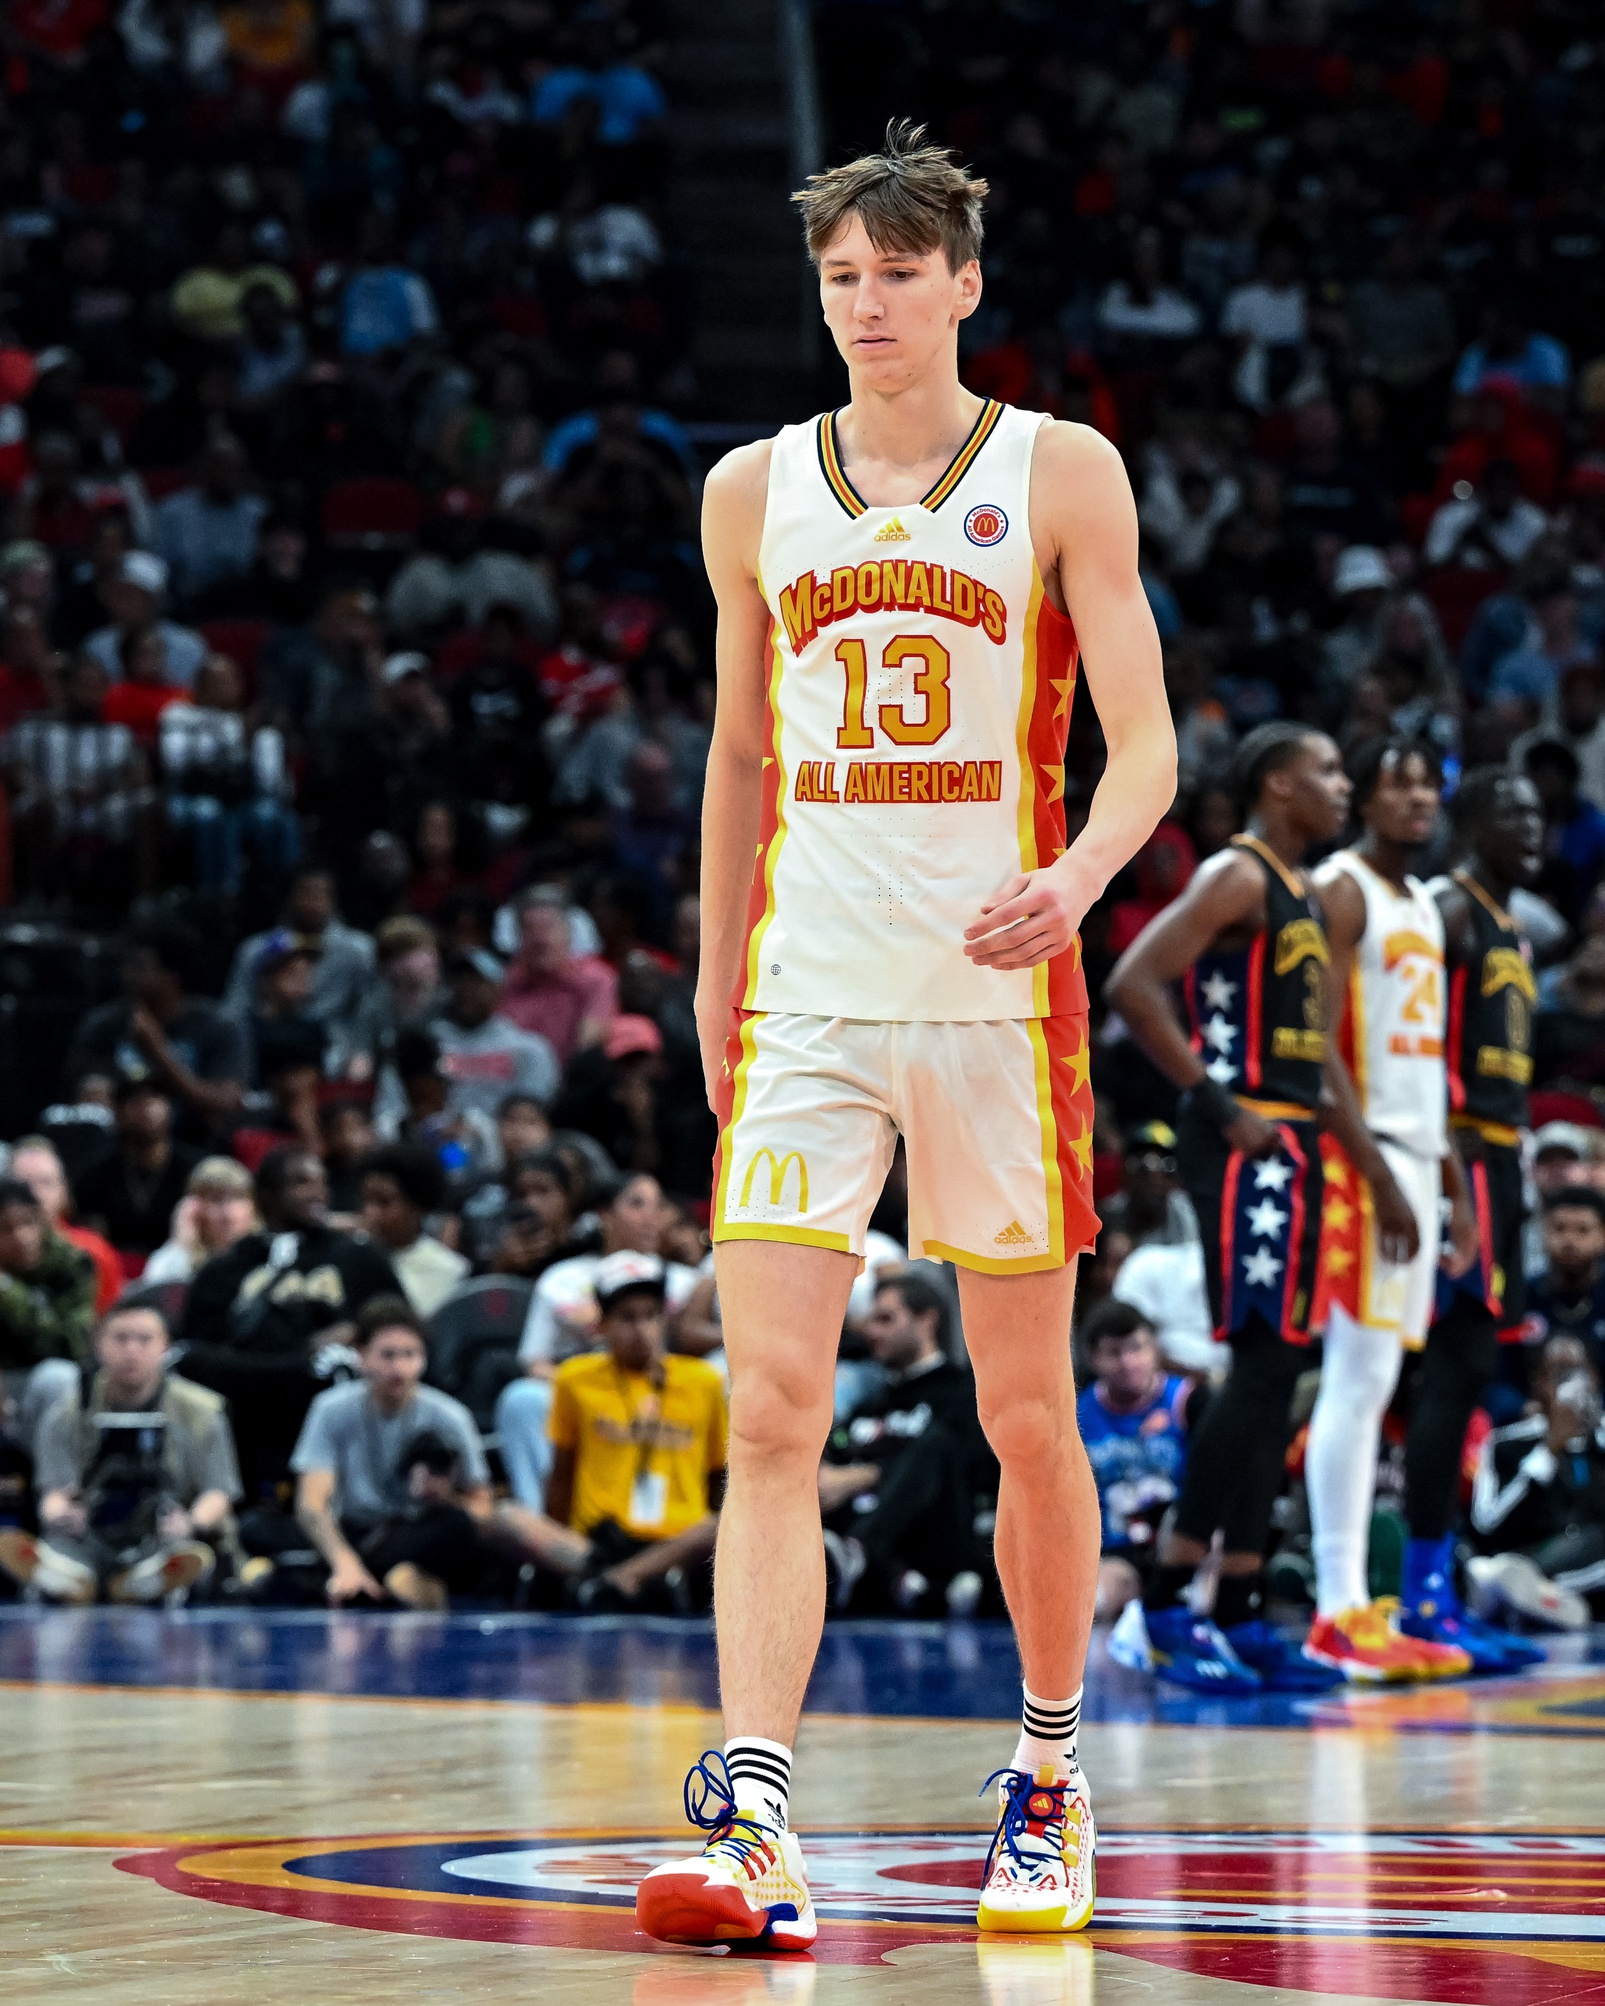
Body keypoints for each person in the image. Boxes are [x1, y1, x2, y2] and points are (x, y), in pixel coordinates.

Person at [636, 124, 1174, 1948]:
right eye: (838, 278)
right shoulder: (749, 489)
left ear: (962, 281)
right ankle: (757, 1814)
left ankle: (1044, 1771)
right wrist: (717, 969)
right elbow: (734, 755)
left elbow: (1150, 744)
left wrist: (1086, 874)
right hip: (805, 997)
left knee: (1024, 1414)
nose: (864, 304)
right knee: (774, 1407)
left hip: (998, 1002)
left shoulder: (1062, 469)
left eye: (894, 273)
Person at [1104, 723, 1368, 1693]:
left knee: (1276, 1368)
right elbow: (1132, 984)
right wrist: (1219, 1103)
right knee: (1254, 1367)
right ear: (1281, 781)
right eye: (1331, 770)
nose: (1345, 785)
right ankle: (1166, 1603)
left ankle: (1246, 1606)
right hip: (1246, 1134)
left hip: (1292, 1140)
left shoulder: (1303, 890)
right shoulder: (1238, 874)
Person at [1301, 738, 1491, 1679]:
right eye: (1397, 782)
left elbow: (1427, 1061)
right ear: (1363, 797)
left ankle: (1356, 1607)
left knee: (1379, 1383)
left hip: (1416, 1149)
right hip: (1362, 1153)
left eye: (1429, 783)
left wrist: (1448, 1176)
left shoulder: (1424, 900)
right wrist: (1374, 1171)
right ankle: (1335, 1610)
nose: (1417, 797)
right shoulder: (1342, 888)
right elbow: (1316, 1047)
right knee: (1356, 1375)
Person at [1394, 770, 1549, 1661]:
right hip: (1455, 1154)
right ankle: (1420, 1598)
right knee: (1449, 1372)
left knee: (1471, 1366)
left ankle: (1434, 1588)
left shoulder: (1509, 925)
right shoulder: (1447, 910)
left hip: (1498, 1153)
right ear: (1471, 822)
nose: (1529, 827)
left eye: (1536, 815)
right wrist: (1450, 1174)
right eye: (1511, 812)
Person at [177, 1148, 400, 1504]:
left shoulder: (358, 1257)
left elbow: (400, 1325)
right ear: (266, 1197)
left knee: (340, 1368)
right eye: (300, 1183)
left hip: (318, 1383)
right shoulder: (228, 1266)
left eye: (321, 1183)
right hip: (246, 1384)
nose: (317, 1193)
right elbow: (195, 1342)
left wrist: (357, 1331)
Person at [522, 1252, 724, 1613]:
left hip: (676, 1539)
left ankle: (619, 1580)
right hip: (598, 1541)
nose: (641, 1330)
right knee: (510, 1517)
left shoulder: (705, 1383)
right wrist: (555, 1538)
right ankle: (622, 1577)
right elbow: (562, 1473)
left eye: (651, 1316)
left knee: (729, 1519)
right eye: (627, 1318)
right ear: (602, 1324)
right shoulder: (574, 1379)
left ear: (665, 1319)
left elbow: (716, 1479)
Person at [0, 1303, 239, 1605]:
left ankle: (148, 1577)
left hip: (163, 1533)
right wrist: (60, 1514)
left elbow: (219, 1492)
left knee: (186, 1553)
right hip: (88, 1534)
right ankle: (68, 1574)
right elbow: (53, 1492)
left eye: (144, 1339)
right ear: (99, 1344)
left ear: (166, 1346)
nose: (131, 1350)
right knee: (64, 1549)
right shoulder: (67, 1412)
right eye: (121, 1338)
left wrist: (190, 1522)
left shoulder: (203, 1412)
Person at [496, 1171, 700, 1507]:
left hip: (664, 1394)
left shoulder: (689, 1282)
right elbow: (535, 1362)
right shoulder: (562, 1278)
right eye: (637, 1204)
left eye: (658, 1205)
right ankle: (543, 1518)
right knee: (522, 1399)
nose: (652, 1216)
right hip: (583, 1392)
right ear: (604, 1215)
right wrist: (590, 1389)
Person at [290, 1296, 509, 1608]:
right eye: (388, 1355)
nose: (399, 1368)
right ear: (361, 1356)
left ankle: (378, 1585)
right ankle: (390, 1583)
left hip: (420, 1532)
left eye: (410, 1355)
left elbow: (482, 1506)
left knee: (455, 1526)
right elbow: (311, 1503)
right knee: (261, 1529)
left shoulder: (450, 1416)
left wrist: (443, 1497)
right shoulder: (330, 1409)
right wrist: (344, 1561)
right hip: (360, 1533)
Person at [818, 1271, 996, 1615]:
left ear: (926, 1321)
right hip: (859, 1546)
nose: (873, 1332)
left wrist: (865, 1476)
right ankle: (908, 1586)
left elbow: (966, 1467)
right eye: (871, 1321)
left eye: (886, 1320)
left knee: (938, 1445)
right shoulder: (869, 1405)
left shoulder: (963, 1393)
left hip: (933, 1538)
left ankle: (858, 1553)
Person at [1467, 1333, 1605, 1631]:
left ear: (1595, 1379)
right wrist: (1548, 1450)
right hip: (1532, 1558)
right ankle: (1533, 1594)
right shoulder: (1507, 1444)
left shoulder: (1601, 1444)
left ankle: (1543, 1596)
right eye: (1559, 1375)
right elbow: (1488, 1525)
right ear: (1539, 1384)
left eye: (1579, 1373)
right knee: (1506, 1567)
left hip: (1592, 1571)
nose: (1573, 1386)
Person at [1076, 1300, 1203, 1621]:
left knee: (1205, 1600)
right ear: (1093, 1357)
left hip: (1184, 1546)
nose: (1128, 1362)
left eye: (1137, 1348)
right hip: (1117, 1550)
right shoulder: (1077, 1412)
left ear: (1155, 1348)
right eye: (1115, 1353)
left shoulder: (1187, 1400)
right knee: (1092, 1604)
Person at [63, 918, 248, 1139]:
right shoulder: (103, 1026)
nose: (127, 976)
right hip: (122, 1146)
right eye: (127, 966)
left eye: (139, 967)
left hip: (196, 1143)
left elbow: (225, 1106)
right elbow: (85, 1096)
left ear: (172, 976)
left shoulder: (217, 1026)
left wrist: (158, 1052)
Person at [73, 1079, 204, 1261]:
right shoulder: (97, 1173)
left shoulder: (194, 1168)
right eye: (135, 1100)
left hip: (179, 1268)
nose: (146, 1107)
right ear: (118, 1112)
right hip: (114, 1267)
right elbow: (90, 1237)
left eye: (154, 1098)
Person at [498, 885, 619, 1064]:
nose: (540, 938)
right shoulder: (505, 982)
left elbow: (590, 1043)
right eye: (530, 929)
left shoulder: (596, 979)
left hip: (574, 1080)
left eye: (548, 927)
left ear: (568, 932)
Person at [9, 1135, 121, 1313]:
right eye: (24, 1184)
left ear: (64, 1190)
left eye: (46, 1182)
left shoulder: (94, 1252)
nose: (36, 1194)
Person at [358, 1142, 470, 1319]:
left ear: (418, 1206)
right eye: (367, 1201)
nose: (370, 1213)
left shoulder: (450, 1269)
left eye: (384, 1202)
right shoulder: (349, 1258)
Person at [142, 1156, 258, 1286]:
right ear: (194, 1208)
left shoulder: (270, 1255)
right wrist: (182, 1242)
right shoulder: (173, 1257)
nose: (229, 1213)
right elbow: (158, 1296)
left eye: (239, 1198)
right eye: (217, 1200)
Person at [1526, 1187, 1605, 1376]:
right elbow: (1500, 1377)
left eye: (1583, 1230)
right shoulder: (1523, 1296)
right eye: (1559, 1228)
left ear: (1602, 1236)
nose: (1569, 1241)